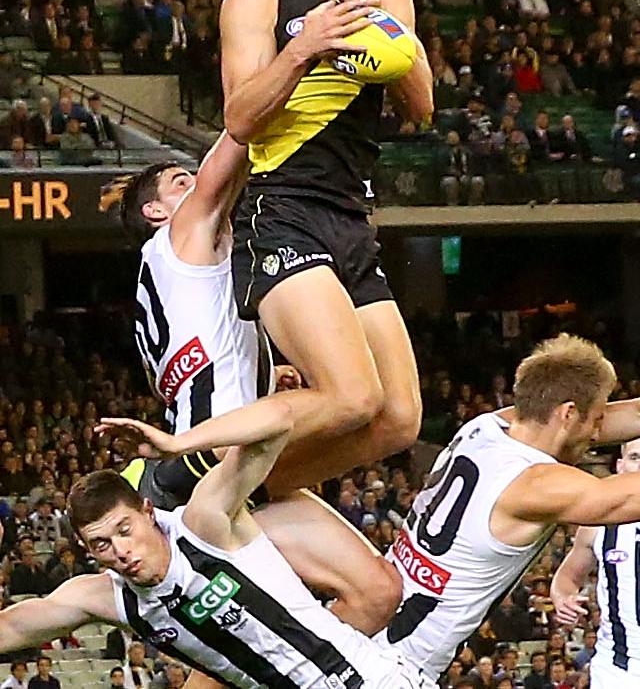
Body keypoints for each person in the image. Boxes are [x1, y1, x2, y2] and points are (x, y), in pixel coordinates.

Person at [114, 133, 399, 641]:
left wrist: (271, 377)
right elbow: (242, 137)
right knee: (357, 400)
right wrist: (292, 68)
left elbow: (212, 355)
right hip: (214, 455)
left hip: (235, 455)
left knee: (376, 593)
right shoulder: (178, 236)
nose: (197, 184)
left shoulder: (191, 272)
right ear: (157, 212)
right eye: (182, 182)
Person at [221, 0, 432, 492]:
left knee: (399, 419)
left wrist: (383, 20)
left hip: (350, 213)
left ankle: (255, 495)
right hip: (283, 207)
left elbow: (420, 108)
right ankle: (198, 480)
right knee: (352, 396)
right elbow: (239, 119)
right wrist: (303, 46)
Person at [0, 398, 425, 689]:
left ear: (148, 512)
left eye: (124, 530)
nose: (121, 551)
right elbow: (13, 627)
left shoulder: (204, 523)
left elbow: (279, 417)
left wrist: (177, 444)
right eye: (102, 544)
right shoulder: (111, 599)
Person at [370, 333, 640, 686]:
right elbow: (623, 499)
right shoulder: (534, 486)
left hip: (375, 633)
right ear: (569, 413)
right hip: (397, 669)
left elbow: (630, 414)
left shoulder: (485, 427)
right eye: (596, 420)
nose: (597, 434)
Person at [551, 437, 640, 688]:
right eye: (635, 458)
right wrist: (563, 598)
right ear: (620, 466)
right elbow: (567, 577)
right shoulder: (597, 524)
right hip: (618, 668)